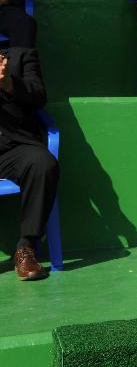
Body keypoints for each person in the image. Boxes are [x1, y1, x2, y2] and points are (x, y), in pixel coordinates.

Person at [0, 48, 59, 281]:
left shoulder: (22, 56)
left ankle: (26, 249)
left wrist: (7, 83)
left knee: (43, 163)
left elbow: (38, 96)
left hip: (16, 148)